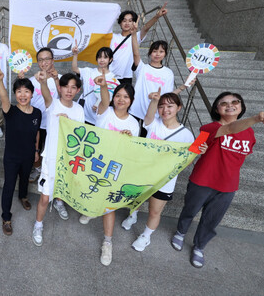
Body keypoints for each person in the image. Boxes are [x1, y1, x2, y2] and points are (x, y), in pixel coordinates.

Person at [171, 92, 264, 268]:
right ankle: (181, 231)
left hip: (228, 186)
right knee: (190, 209)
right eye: (223, 103)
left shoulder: (250, 134)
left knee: (212, 219)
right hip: (202, 180)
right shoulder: (210, 127)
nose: (230, 105)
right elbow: (227, 130)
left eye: (235, 102)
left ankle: (199, 246)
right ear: (216, 109)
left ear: (241, 106)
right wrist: (257, 118)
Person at [121, 88, 207, 253]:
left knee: (155, 210)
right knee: (135, 200)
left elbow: (186, 162)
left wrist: (198, 152)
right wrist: (154, 100)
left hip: (164, 180)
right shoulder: (153, 123)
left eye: (170, 106)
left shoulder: (186, 135)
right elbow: (148, 116)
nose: (165, 110)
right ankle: (132, 216)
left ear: (179, 108)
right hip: (143, 173)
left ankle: (146, 236)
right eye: (161, 106)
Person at [78, 79, 140, 266]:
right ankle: (92, 212)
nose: (121, 99)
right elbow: (104, 98)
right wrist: (104, 85)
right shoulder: (105, 111)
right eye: (118, 95)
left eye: (126, 97)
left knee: (109, 205)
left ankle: (107, 242)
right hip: (97, 162)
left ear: (131, 100)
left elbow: (131, 152)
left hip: (115, 168)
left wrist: (129, 141)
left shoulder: (134, 123)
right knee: (94, 192)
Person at [32, 71, 84, 246]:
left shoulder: (79, 109)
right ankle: (38, 225)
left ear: (78, 90)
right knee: (45, 198)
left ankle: (60, 203)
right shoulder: (52, 104)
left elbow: (81, 136)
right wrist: (43, 81)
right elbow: (45, 91)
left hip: (68, 160)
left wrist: (69, 123)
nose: (69, 91)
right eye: (66, 87)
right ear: (59, 88)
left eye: (73, 87)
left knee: (61, 191)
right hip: (50, 159)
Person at [0, 63, 41, 236]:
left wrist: (36, 150)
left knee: (26, 177)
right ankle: (6, 217)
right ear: (15, 94)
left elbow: (36, 133)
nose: (23, 95)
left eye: (26, 91)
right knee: (9, 185)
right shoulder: (10, 111)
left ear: (31, 93)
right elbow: (4, 97)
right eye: (19, 92)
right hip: (12, 157)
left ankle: (23, 197)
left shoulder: (37, 113)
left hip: (28, 154)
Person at [127, 19, 188, 135]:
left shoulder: (168, 73)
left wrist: (182, 87)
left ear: (165, 54)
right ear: (150, 53)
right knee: (130, 135)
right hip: (135, 109)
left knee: (146, 139)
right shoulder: (142, 68)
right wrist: (134, 34)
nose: (157, 54)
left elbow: (168, 95)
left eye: (161, 51)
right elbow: (135, 52)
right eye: (154, 51)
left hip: (153, 113)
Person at [20, 47, 61, 183]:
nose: (44, 63)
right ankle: (37, 169)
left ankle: (48, 173)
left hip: (53, 122)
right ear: (38, 62)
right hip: (36, 122)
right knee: (34, 149)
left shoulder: (60, 79)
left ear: (52, 61)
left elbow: (64, 98)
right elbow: (25, 99)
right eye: (41, 60)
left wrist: (56, 80)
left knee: (51, 150)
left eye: (47, 59)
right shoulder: (32, 80)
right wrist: (22, 81)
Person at [110, 4, 168, 85]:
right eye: (124, 20)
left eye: (130, 21)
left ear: (134, 23)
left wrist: (157, 16)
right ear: (120, 23)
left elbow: (146, 27)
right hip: (110, 75)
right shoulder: (113, 37)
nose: (127, 23)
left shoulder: (136, 36)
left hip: (126, 76)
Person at [71, 45, 120, 125]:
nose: (102, 60)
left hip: (96, 117)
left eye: (105, 57)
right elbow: (74, 69)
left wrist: (101, 104)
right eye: (99, 57)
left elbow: (112, 98)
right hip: (82, 112)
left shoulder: (114, 80)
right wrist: (75, 54)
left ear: (110, 59)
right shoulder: (88, 71)